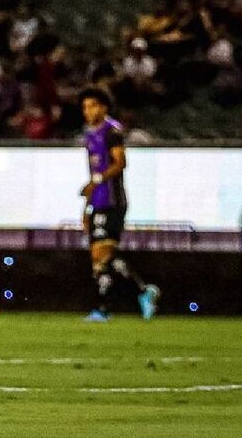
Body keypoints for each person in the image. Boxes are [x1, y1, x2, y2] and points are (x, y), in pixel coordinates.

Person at [79, 87, 160, 322]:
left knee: (101, 255)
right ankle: (143, 291)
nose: (88, 111)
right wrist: (86, 207)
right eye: (85, 107)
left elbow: (120, 162)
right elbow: (93, 173)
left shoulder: (111, 131)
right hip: (98, 202)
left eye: (93, 105)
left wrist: (95, 183)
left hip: (113, 202)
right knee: (102, 259)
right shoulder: (89, 135)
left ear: (104, 108)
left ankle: (104, 309)